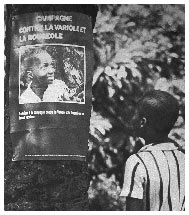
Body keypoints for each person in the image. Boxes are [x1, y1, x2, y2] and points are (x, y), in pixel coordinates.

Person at [120, 90, 185, 211]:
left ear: (142, 122)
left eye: (136, 114)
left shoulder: (137, 162)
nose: (132, 118)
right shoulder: (183, 159)